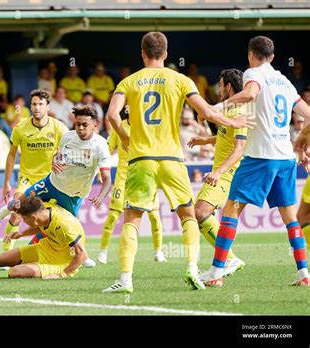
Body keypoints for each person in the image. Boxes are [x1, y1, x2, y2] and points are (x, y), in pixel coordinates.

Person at [102, 31, 253, 293]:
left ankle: (125, 279)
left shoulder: (128, 81)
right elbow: (206, 111)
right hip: (172, 158)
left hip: (141, 159)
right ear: (167, 53)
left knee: (132, 218)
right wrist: (233, 122)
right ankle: (193, 269)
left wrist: (126, 138)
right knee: (188, 215)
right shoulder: (180, 79)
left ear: (142, 53)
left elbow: (112, 115)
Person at [199, 36, 310, 287]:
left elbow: (249, 94)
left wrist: (217, 107)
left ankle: (216, 271)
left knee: (230, 210)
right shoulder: (285, 81)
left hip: (261, 156)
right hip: (285, 159)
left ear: (251, 54)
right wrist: (303, 142)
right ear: (272, 55)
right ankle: (304, 273)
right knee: (291, 218)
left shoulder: (253, 73)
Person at [0, 105, 112, 268]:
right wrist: (54, 163)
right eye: (78, 124)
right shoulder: (68, 137)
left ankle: (81, 255)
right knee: (22, 199)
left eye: (85, 125)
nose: (80, 128)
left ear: (95, 125)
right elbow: (57, 156)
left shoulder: (101, 145)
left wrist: (101, 196)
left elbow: (106, 179)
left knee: (65, 228)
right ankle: (9, 208)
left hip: (73, 194)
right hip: (52, 183)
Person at [188, 71, 248, 270]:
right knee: (203, 213)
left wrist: (219, 172)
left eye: (221, 85)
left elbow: (240, 148)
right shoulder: (231, 110)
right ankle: (225, 261)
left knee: (200, 211)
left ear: (229, 87)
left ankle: (229, 258)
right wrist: (205, 140)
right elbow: (227, 136)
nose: (218, 89)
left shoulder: (240, 111)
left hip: (228, 173)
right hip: (225, 172)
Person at [0, 89, 68, 254]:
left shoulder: (59, 128)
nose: (37, 107)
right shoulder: (20, 128)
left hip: (52, 179)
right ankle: (6, 254)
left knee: (55, 218)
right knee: (16, 212)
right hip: (28, 178)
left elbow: (68, 151)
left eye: (41, 104)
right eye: (34, 104)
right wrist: (6, 182)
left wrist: (61, 160)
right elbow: (11, 154)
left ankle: (74, 251)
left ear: (48, 107)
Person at [97, 112, 166, 265]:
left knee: (155, 217)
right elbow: (108, 150)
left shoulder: (147, 126)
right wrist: (101, 170)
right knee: (113, 217)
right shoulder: (118, 127)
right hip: (123, 178)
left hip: (145, 177)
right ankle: (103, 251)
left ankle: (158, 251)